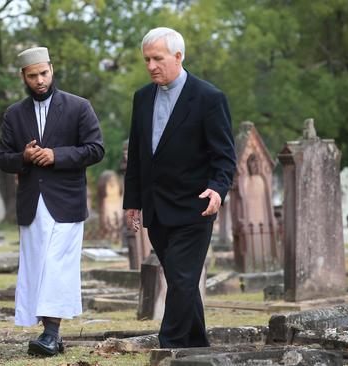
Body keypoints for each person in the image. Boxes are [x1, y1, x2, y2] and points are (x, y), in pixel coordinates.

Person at [123, 27, 236, 348]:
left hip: (194, 206)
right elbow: (139, 156)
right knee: (179, 280)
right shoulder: (142, 97)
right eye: (146, 59)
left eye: (157, 58)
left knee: (184, 279)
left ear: (178, 56)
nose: (150, 65)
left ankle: (168, 347)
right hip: (157, 208)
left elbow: (225, 156)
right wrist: (133, 202)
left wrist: (218, 189)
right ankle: (197, 345)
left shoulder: (209, 98)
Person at [0, 46, 104, 356]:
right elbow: (3, 159)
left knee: (57, 266)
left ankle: (51, 333)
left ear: (51, 70)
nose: (40, 80)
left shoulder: (79, 107)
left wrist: (57, 155)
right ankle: (50, 334)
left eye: (44, 73)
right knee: (37, 267)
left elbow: (96, 149)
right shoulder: (14, 114)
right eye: (33, 76)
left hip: (66, 201)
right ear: (23, 77)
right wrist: (25, 157)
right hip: (32, 203)